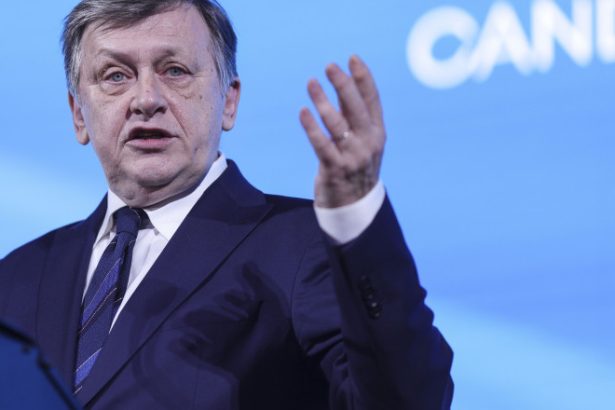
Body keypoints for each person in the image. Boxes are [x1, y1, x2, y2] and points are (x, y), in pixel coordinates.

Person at [0, 0, 453, 408]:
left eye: (175, 70)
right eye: (116, 75)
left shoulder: (303, 245)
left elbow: (407, 400)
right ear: (78, 114)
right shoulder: (16, 277)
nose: (146, 99)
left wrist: (356, 216)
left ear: (229, 101)